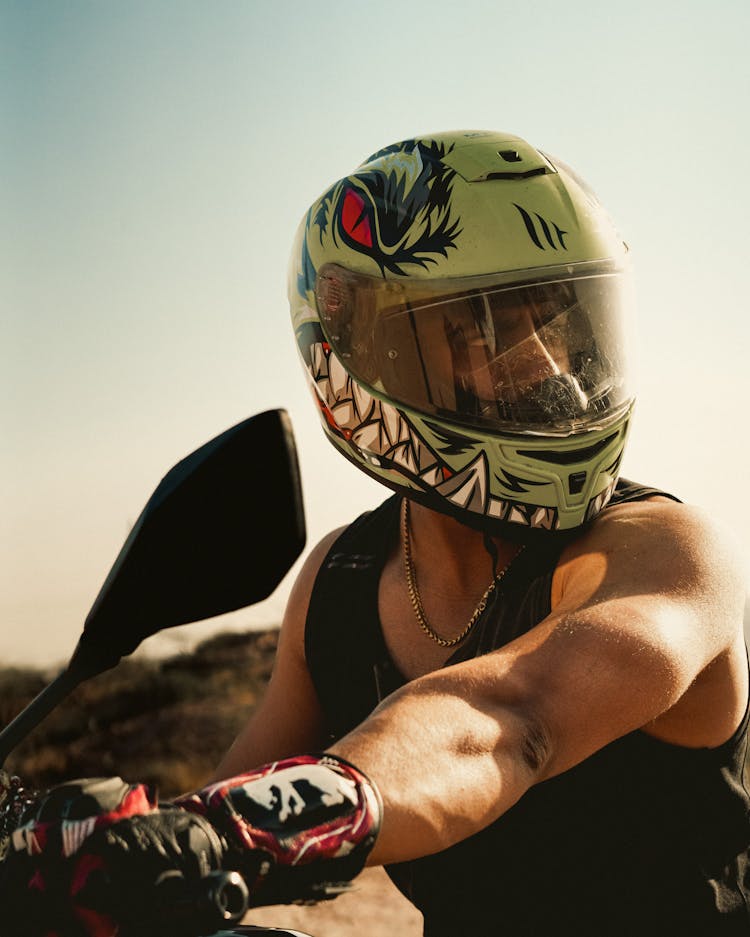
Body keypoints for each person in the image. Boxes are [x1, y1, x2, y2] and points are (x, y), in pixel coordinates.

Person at [2, 130, 748, 937]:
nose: (546, 368)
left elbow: (514, 715)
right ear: (368, 358)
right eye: (482, 332)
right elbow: (209, 826)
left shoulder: (664, 552)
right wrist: (101, 859)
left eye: (558, 321)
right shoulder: (343, 582)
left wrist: (233, 831)